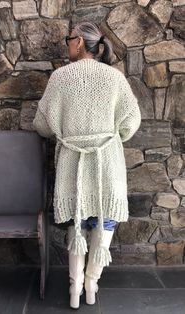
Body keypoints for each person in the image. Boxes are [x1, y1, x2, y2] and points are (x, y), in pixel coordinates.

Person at [32, 21, 141, 309]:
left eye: (69, 39)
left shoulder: (60, 78)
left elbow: (42, 125)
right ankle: (92, 284)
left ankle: (74, 288)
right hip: (107, 160)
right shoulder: (114, 78)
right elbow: (131, 121)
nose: (66, 44)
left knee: (77, 222)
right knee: (104, 222)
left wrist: (66, 130)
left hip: (73, 161)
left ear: (78, 41)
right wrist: (112, 135)